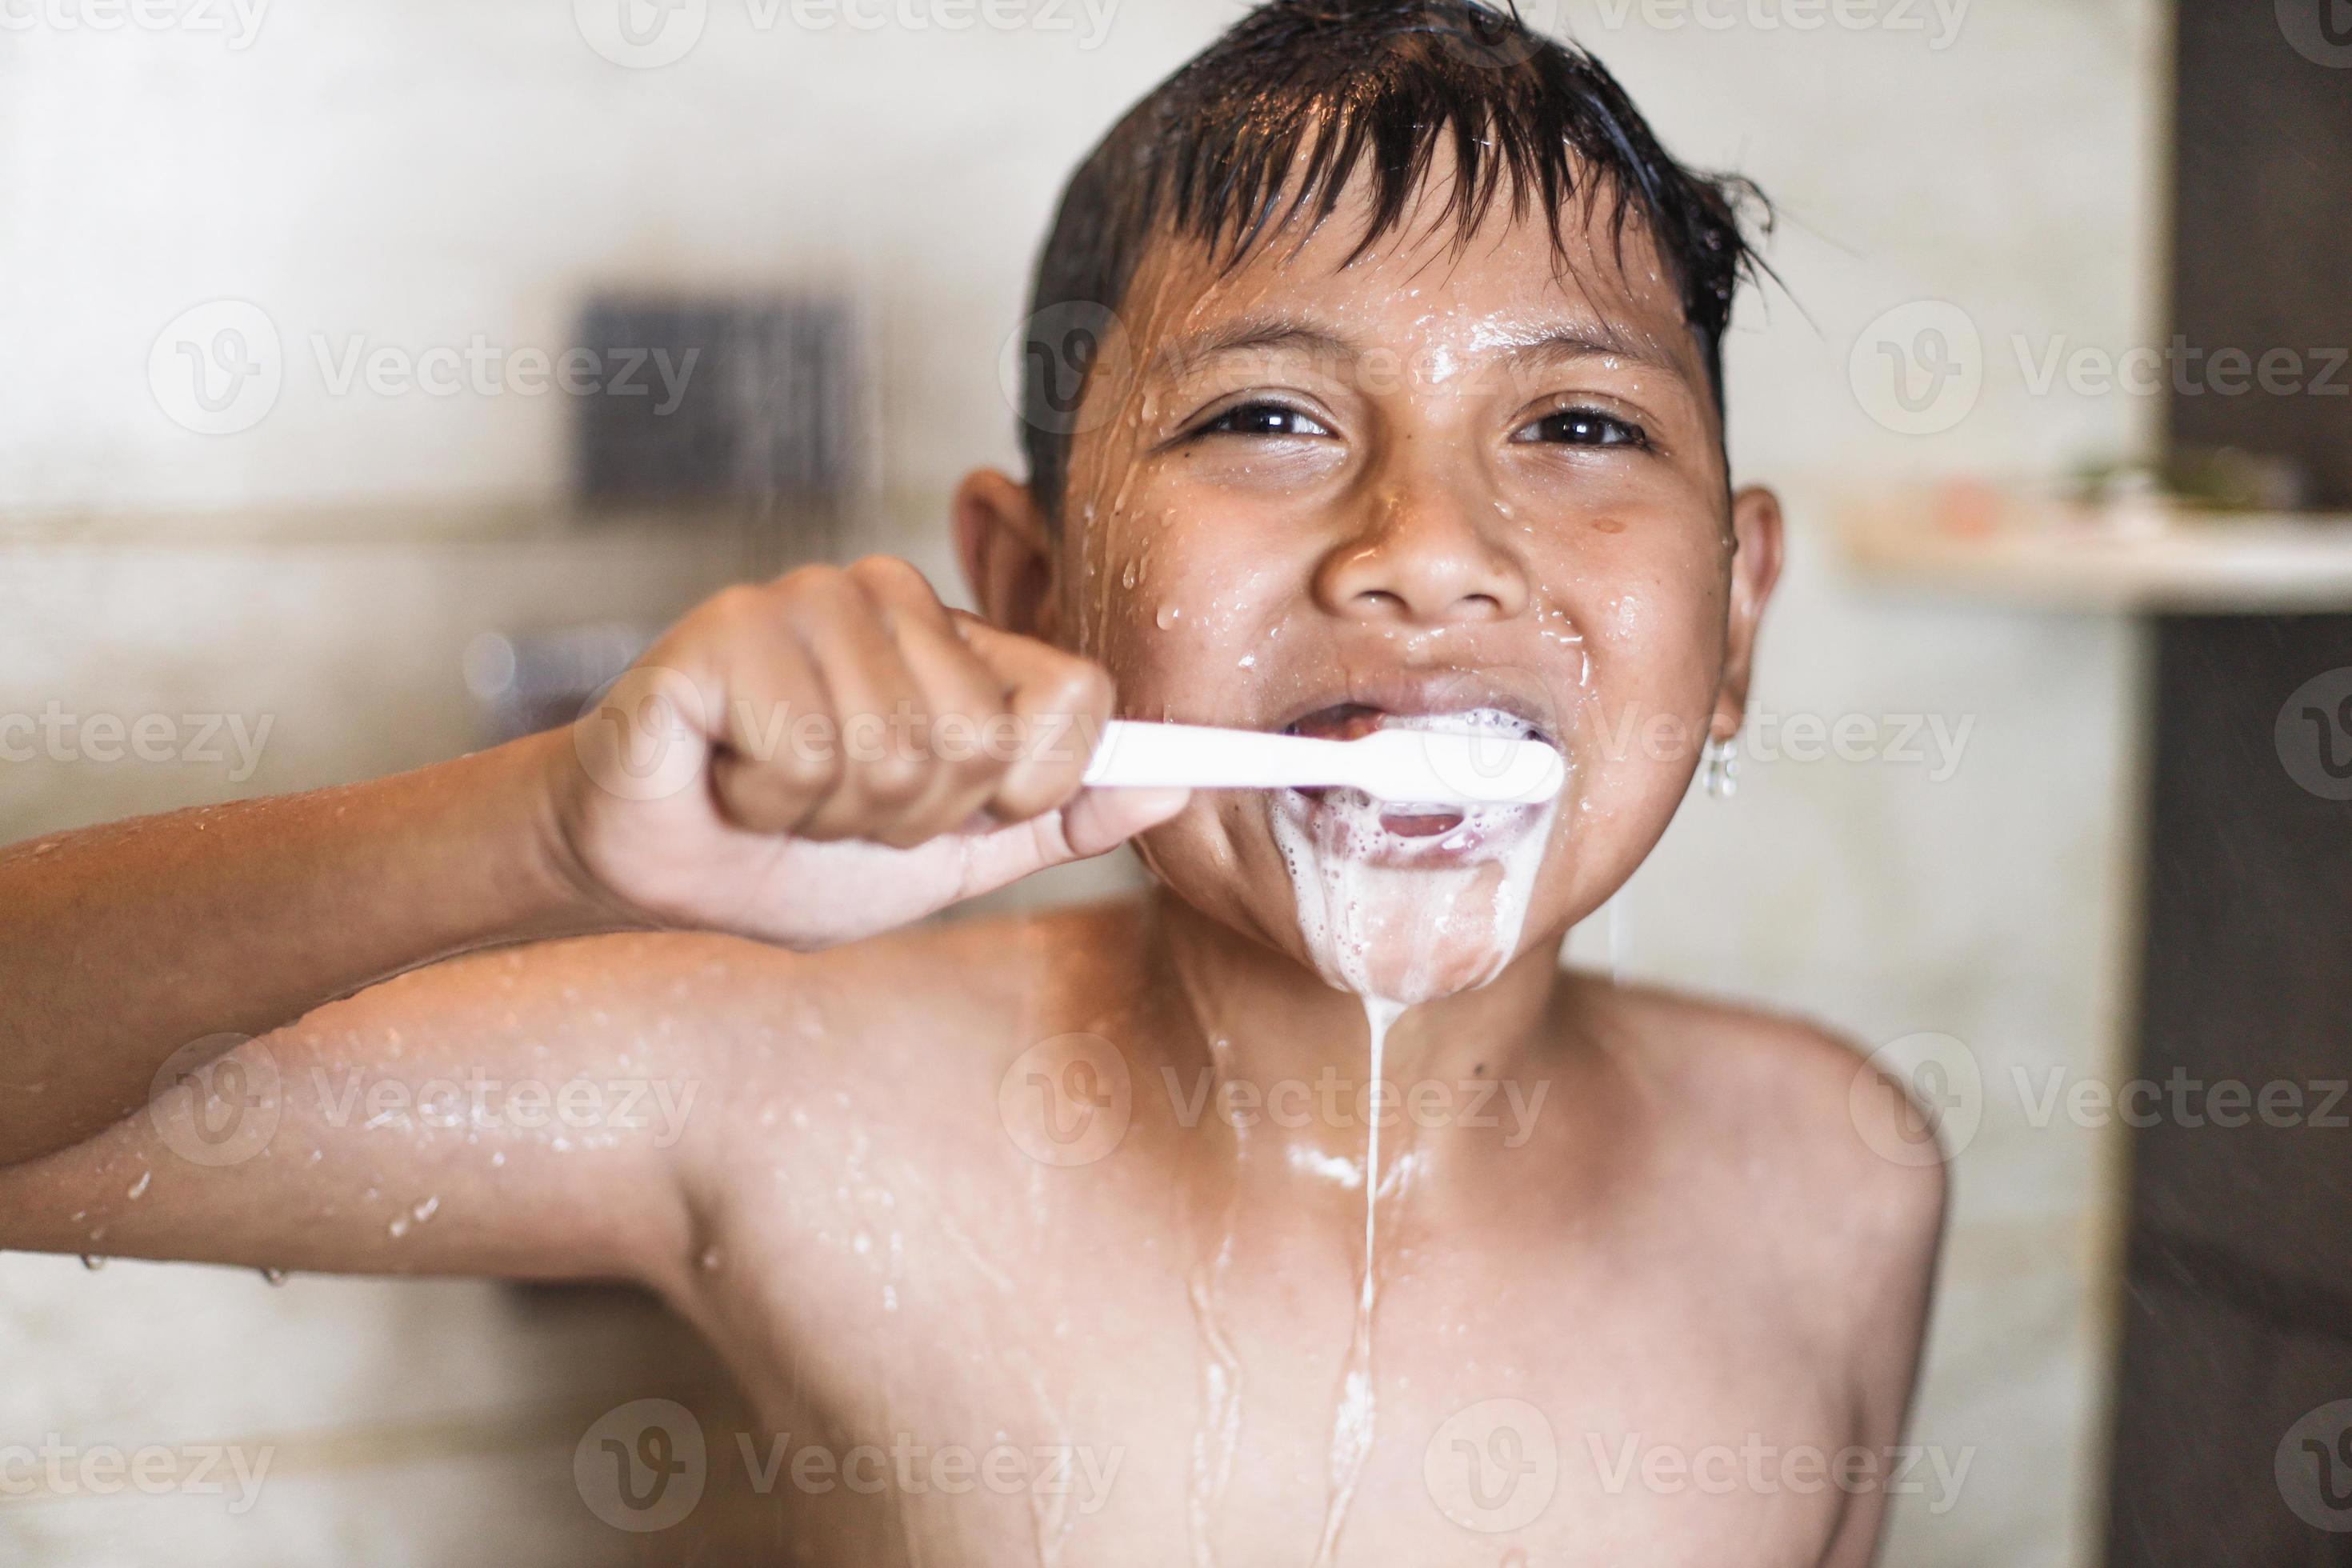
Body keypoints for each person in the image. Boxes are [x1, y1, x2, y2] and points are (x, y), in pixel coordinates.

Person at [0, 2, 1945, 1560]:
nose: (1429, 548)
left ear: (1739, 612)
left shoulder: (1834, 1174)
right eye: (1270, 415)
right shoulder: (798, 1092)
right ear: (1031, 587)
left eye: (1581, 421)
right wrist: (536, 832)